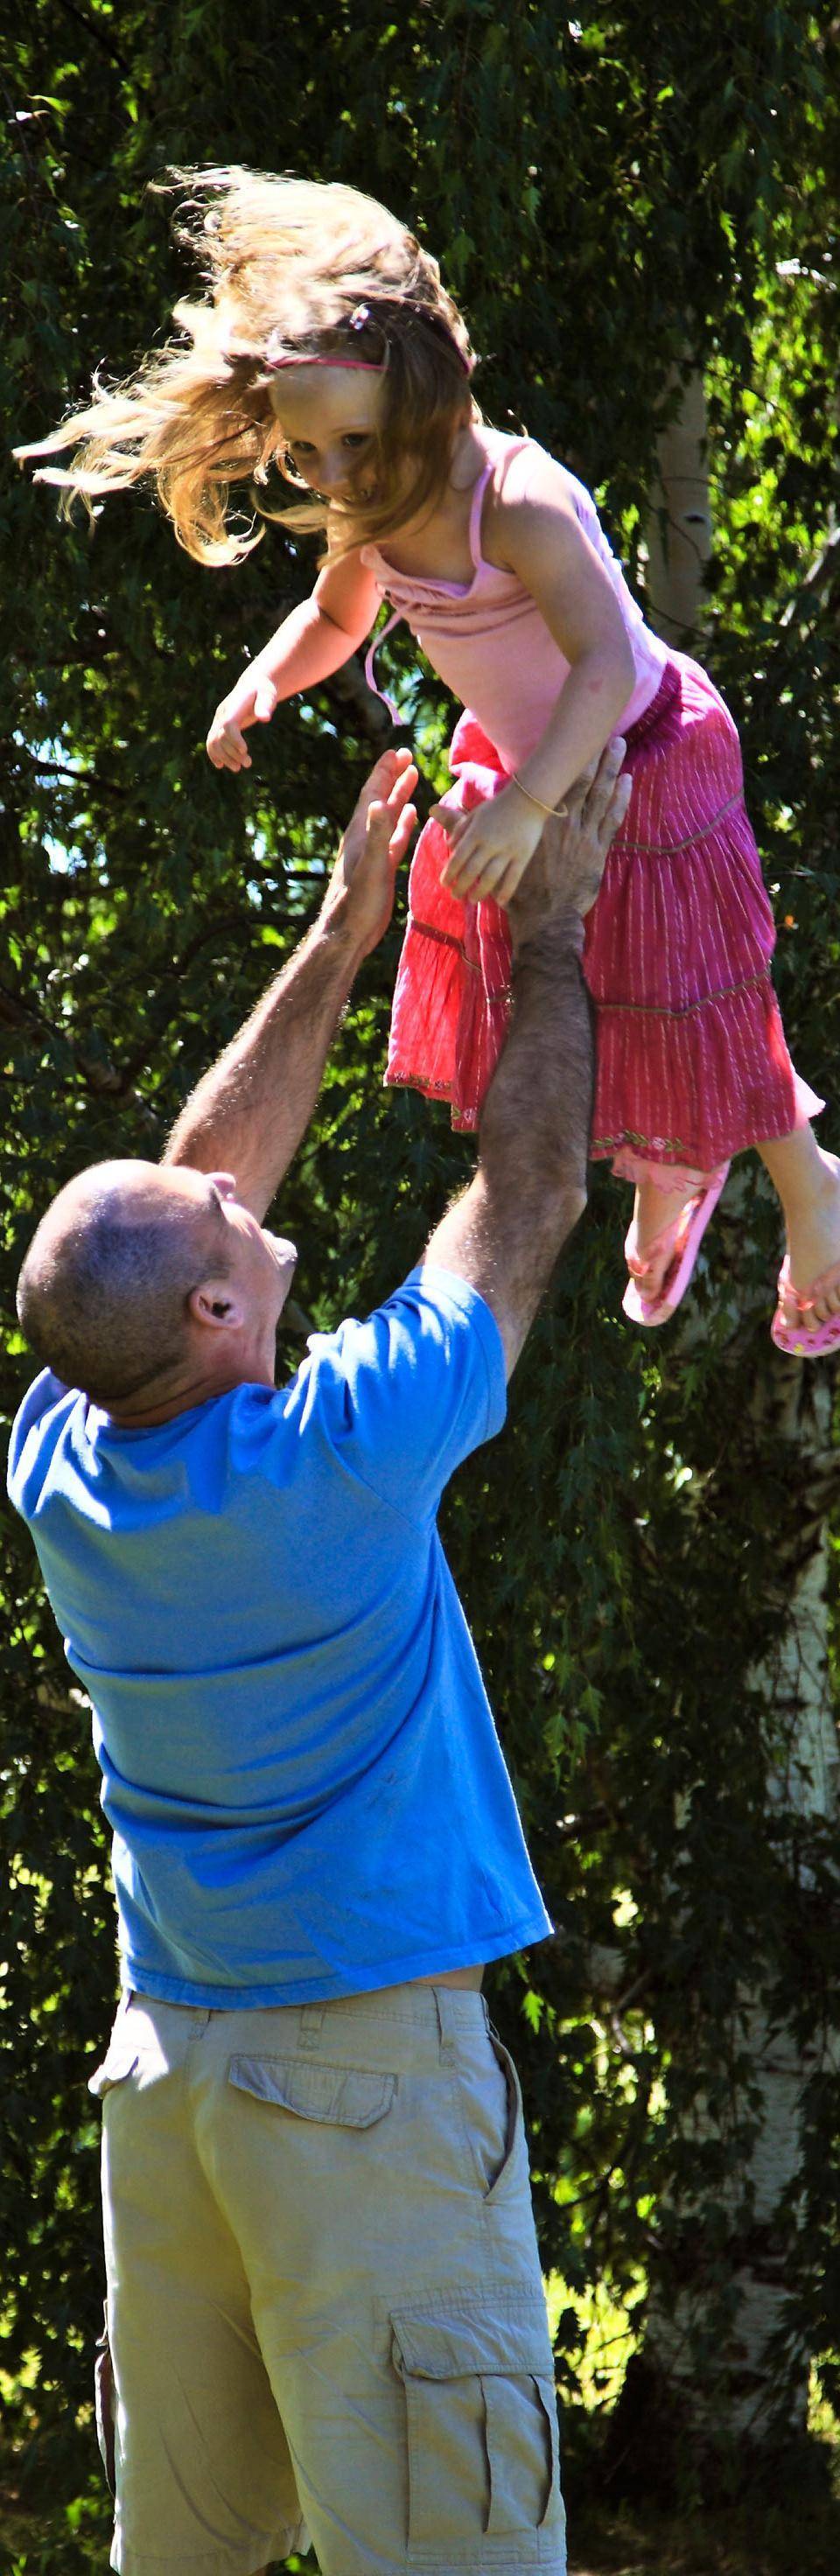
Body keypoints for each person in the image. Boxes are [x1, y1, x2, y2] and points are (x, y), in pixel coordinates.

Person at [9, 738, 630, 2576]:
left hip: (178, 2075)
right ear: (214, 1308)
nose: (233, 1187)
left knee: (184, 2556)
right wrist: (554, 933)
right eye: (222, 1227)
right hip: (359, 2077)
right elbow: (528, 1207)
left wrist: (351, 925)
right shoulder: (333, 1456)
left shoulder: (66, 1450)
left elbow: (172, 1200)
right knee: (451, 2546)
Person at [18, 169, 839, 1355]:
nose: (337, 477)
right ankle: (675, 1169)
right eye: (307, 454)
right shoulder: (368, 510)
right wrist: (270, 676)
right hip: (536, 767)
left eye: (354, 443)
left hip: (645, 754)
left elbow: (606, 667)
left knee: (700, 987)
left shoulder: (517, 500)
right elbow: (340, 621)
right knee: (592, 989)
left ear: (434, 398)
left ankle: (810, 1185)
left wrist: (532, 806)